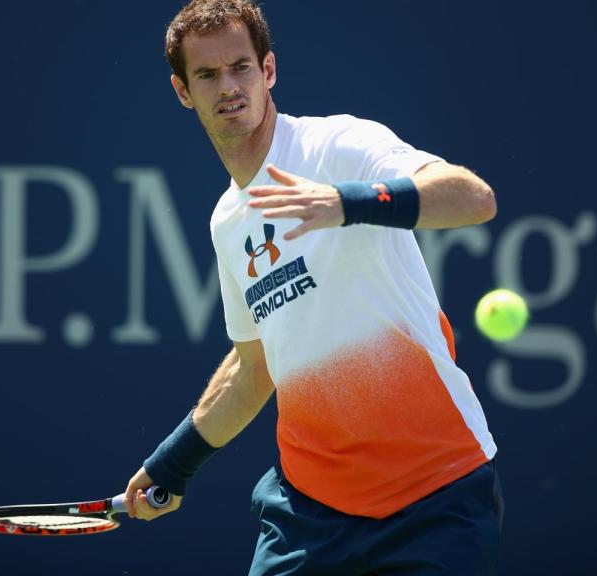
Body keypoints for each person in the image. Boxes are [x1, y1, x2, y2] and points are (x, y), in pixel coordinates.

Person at [124, 1, 503, 573]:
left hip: (437, 492)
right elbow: (254, 370)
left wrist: (346, 203)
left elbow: (474, 199)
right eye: (207, 75)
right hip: (309, 514)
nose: (228, 87)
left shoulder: (339, 146)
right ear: (183, 91)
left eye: (241, 68)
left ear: (268, 71)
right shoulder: (228, 223)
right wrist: (174, 462)